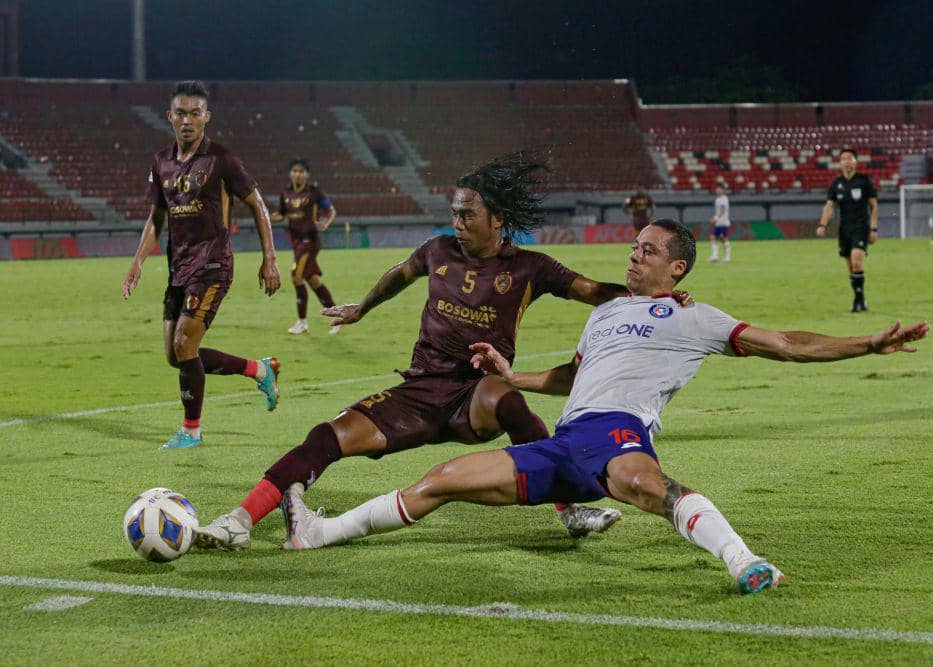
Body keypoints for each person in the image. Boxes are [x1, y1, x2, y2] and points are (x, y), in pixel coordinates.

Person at [276, 219, 928, 595]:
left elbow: (787, 343)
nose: (634, 252)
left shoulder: (694, 316)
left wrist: (868, 340)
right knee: (442, 481)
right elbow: (572, 377)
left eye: (649, 249)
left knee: (648, 484)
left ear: (676, 270)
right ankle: (316, 532)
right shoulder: (608, 311)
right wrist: (513, 374)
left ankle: (745, 561)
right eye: (635, 244)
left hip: (619, 434)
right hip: (563, 444)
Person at [194, 153, 690, 547]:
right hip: (419, 391)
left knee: (503, 392)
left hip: (473, 394)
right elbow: (397, 276)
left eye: (466, 213)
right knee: (326, 436)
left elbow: (590, 290)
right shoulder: (437, 252)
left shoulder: (531, 267)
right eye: (453, 212)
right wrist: (361, 308)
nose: (455, 221)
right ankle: (241, 519)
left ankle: (570, 510)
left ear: (497, 217)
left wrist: (658, 298)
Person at [122, 81, 282, 450]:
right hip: (178, 268)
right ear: (170, 117)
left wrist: (269, 258)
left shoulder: (222, 159)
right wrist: (137, 262)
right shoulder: (160, 162)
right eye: (180, 113)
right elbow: (156, 219)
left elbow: (256, 203)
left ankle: (190, 432)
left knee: (184, 343)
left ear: (207, 117)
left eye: (195, 113)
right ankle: (259, 370)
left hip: (212, 264)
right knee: (175, 355)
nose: (187, 120)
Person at [270, 159, 338, 335]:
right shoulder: (285, 193)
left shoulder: (315, 193)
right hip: (296, 242)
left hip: (310, 241)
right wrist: (267, 217)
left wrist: (325, 223)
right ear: (290, 174)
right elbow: (282, 214)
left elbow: (331, 210)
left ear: (307, 174)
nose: (298, 174)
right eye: (294, 171)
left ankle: (302, 322)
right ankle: (338, 316)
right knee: (313, 279)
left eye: (301, 171)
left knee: (296, 277)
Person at [816, 148, 878, 312]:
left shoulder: (864, 181)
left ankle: (859, 302)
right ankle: (860, 299)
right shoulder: (837, 184)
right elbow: (830, 205)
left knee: (857, 262)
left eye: (850, 158)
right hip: (844, 229)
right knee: (851, 267)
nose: (847, 161)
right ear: (840, 163)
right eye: (843, 158)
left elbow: (874, 206)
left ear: (855, 161)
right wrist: (822, 224)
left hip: (861, 227)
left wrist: (873, 228)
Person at [708, 183, 732, 262]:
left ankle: (727, 257)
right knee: (713, 237)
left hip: (724, 222)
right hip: (718, 223)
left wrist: (715, 218)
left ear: (723, 190)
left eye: (719, 189)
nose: (717, 191)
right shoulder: (718, 199)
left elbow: (722, 210)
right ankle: (715, 256)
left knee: (723, 239)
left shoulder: (724, 199)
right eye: (716, 189)